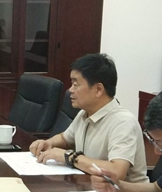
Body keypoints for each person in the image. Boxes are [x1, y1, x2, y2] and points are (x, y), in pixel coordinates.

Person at [29, 53, 148, 183]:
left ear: (98, 89)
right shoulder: (84, 113)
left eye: (76, 84)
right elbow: (65, 138)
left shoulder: (123, 122)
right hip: (91, 187)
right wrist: (49, 143)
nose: (70, 90)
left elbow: (117, 171)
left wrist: (70, 157)